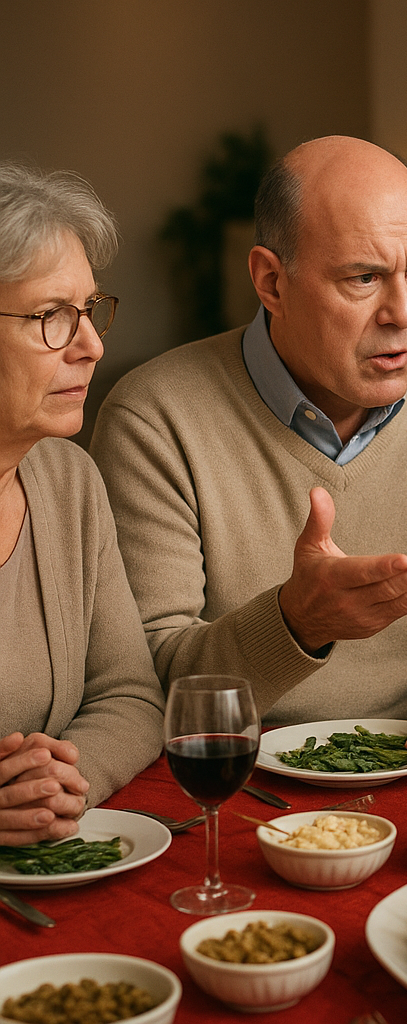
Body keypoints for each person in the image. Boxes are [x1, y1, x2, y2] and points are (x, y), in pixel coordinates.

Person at [89, 136, 407, 771]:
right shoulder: (154, 417)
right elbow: (148, 680)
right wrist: (296, 622)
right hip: (236, 778)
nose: (404, 313)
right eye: (363, 278)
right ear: (271, 282)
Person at [0, 163, 165, 844]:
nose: (92, 347)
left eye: (90, 310)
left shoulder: (69, 480)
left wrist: (63, 784)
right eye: (52, 318)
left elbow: (129, 695)